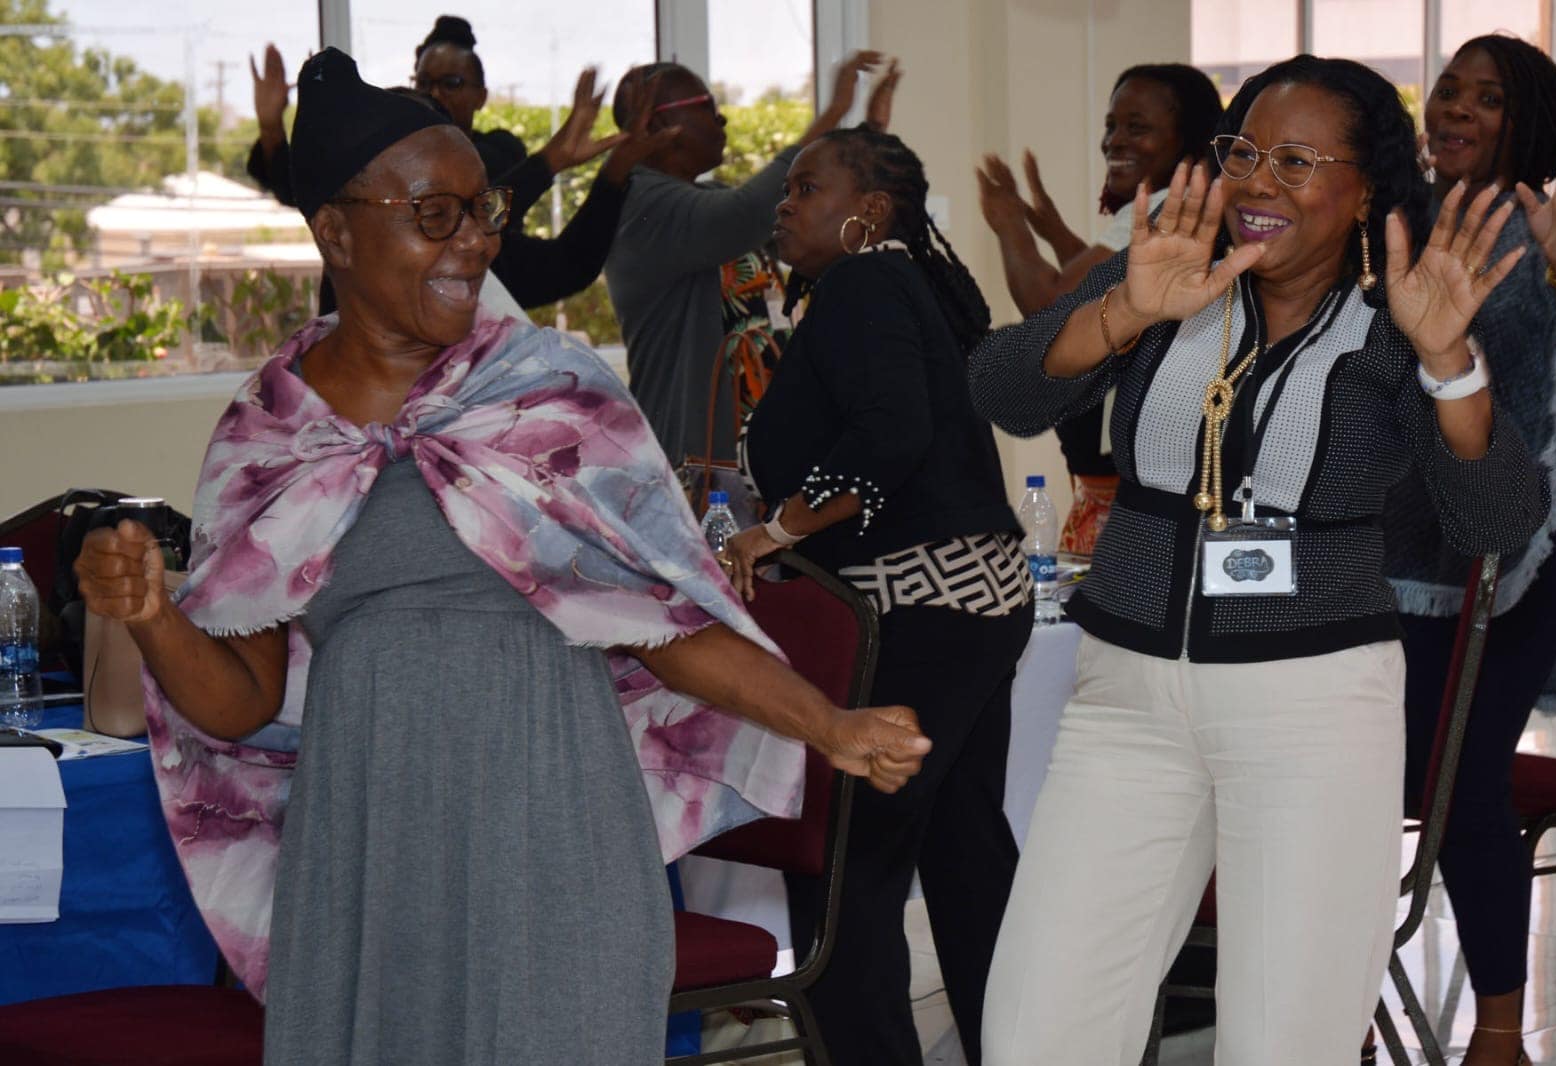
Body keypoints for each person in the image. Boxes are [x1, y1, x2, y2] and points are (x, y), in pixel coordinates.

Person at [73, 49, 932, 1066]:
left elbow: (665, 625)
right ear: (336, 231)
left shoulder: (551, 393)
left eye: (482, 211)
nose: (476, 242)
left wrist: (828, 723)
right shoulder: (268, 434)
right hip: (369, 835)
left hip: (553, 810)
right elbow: (240, 700)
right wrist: (152, 617)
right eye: (435, 214)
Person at [968, 55, 1549, 1066]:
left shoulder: (1398, 319)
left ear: (1363, 189)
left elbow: (1495, 517)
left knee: (1286, 1041)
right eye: (1243, 153)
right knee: (1036, 1030)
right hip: (1123, 700)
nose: (1257, 182)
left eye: (1296, 161)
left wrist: (1449, 364)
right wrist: (1123, 313)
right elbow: (1001, 390)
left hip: (1310, 708)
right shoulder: (1167, 272)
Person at [724, 126, 1031, 1066]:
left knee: (844, 868)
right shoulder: (902, 286)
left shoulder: (864, 283)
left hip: (915, 606)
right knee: (966, 857)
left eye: (805, 187)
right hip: (972, 598)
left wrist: (776, 531)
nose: (783, 205)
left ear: (870, 211)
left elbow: (890, 436)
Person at [1381, 33, 1556, 1066]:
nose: (1455, 110)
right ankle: (1336, 1007)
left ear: (1527, 124)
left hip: (1509, 565)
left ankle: (1500, 1034)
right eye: (1449, 91)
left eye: (1487, 98)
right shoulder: (1387, 224)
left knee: (1461, 785)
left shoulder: (1554, 242)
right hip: (1379, 557)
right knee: (1355, 782)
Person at [603, 53, 901, 469]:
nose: (721, 119)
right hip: (696, 468)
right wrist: (834, 113)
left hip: (758, 460)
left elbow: (813, 228)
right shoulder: (641, 206)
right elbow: (749, 212)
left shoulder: (705, 198)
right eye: (706, 107)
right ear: (658, 124)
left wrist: (870, 136)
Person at [976, 64, 1222, 556]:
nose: (1115, 141)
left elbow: (1053, 305)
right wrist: (1052, 230)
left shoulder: (1160, 210)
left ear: (1189, 140)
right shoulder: (1167, 208)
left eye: (1137, 127)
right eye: (1111, 126)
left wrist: (1009, 225)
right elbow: (1103, 285)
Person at [247, 16, 634, 310]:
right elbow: (303, 186)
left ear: (481, 95)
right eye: (424, 84)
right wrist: (271, 126)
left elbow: (566, 265)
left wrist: (613, 164)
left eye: (451, 83)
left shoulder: (495, 161)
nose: (468, 235)